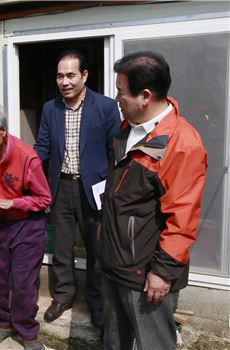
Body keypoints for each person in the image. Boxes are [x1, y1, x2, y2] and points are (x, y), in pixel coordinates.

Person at [98, 51, 207, 350]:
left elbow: (182, 221)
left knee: (154, 345)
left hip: (146, 274)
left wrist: (162, 273)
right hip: (114, 263)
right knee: (113, 342)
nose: (117, 98)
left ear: (145, 96)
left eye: (121, 92)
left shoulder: (182, 144)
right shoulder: (127, 129)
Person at [34, 50, 121, 328]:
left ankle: (97, 304)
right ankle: (63, 296)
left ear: (84, 75)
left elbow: (115, 151)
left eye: (71, 75)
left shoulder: (106, 107)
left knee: (96, 250)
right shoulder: (51, 108)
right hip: (61, 187)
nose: (65, 81)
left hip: (94, 189)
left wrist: (111, 189)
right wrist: (26, 169)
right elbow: (42, 147)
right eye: (60, 76)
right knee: (61, 247)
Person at [0, 102, 51, 350]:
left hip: (27, 226)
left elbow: (44, 199)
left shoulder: (27, 158)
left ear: (1, 131)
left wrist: (10, 201)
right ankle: (2, 324)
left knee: (24, 283)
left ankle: (28, 333)